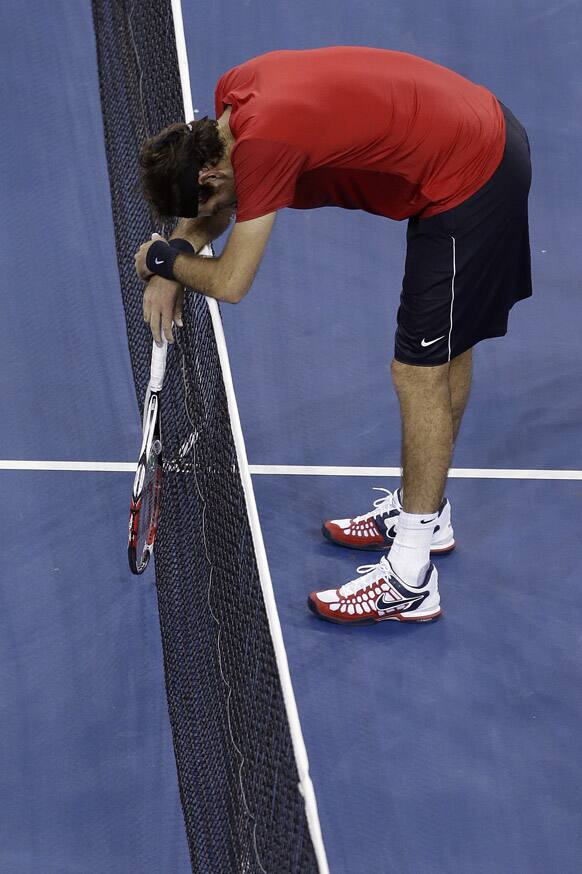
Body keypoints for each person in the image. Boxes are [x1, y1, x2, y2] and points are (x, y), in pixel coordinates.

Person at [134, 46, 532, 625]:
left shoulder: (263, 148)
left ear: (210, 171)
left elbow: (233, 281)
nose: (219, 205)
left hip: (471, 177)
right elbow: (219, 210)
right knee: (446, 347)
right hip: (470, 135)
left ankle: (411, 577)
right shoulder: (233, 100)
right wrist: (179, 248)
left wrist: (164, 263)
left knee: (418, 372)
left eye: (212, 194)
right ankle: (429, 516)